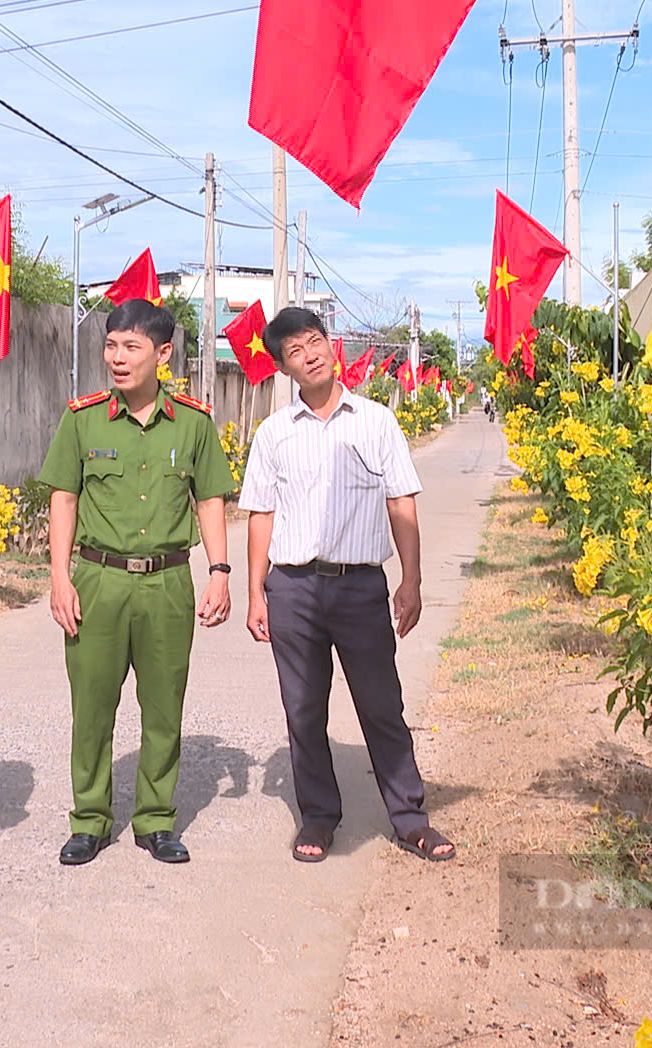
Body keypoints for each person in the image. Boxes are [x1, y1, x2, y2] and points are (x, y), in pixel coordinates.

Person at [242, 306, 455, 864]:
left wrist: (411, 579)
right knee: (304, 710)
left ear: (329, 344)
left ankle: (410, 818)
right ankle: (318, 816)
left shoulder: (377, 421)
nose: (310, 353)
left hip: (360, 588)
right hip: (292, 589)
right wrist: (255, 591)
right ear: (284, 368)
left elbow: (400, 500)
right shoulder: (273, 434)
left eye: (315, 341)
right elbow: (260, 512)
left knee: (381, 705)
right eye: (295, 350)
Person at [37, 299, 237, 866]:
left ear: (163, 353)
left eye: (131, 347)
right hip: (98, 580)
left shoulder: (194, 423)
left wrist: (219, 572)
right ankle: (90, 819)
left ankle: (155, 819)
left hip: (167, 583)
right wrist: (59, 577)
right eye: (111, 346)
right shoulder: (83, 419)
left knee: (163, 708)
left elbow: (211, 500)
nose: (117, 359)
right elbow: (64, 498)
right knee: (93, 707)